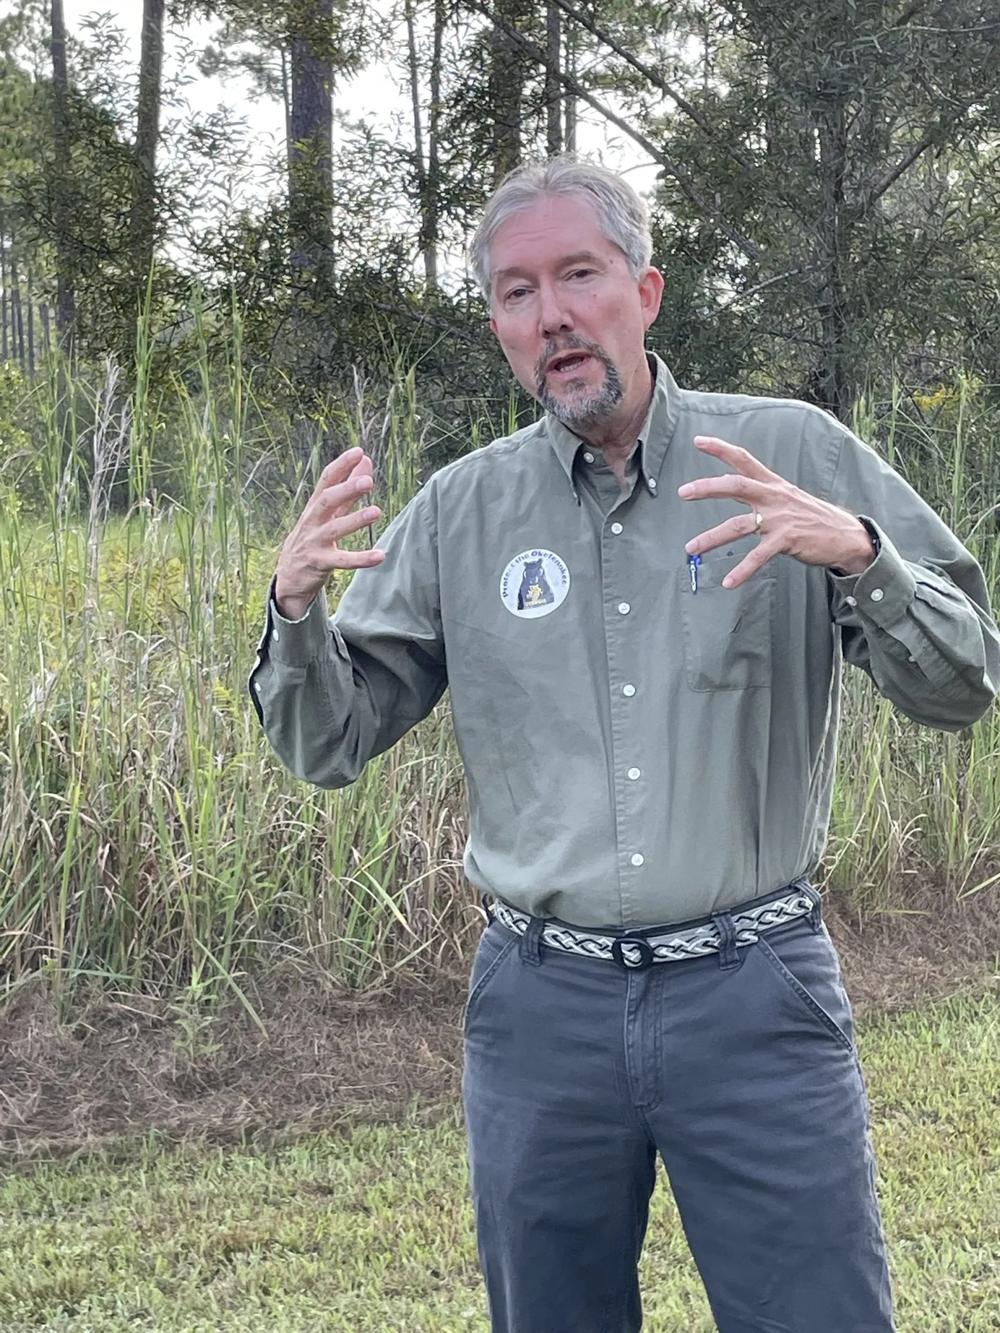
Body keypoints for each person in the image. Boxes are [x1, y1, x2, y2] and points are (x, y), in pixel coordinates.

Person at [248, 155, 999, 1333]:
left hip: (753, 997)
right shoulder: (460, 511)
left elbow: (964, 686)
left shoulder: (783, 455)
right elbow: (329, 741)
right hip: (539, 1014)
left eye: (578, 275)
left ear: (645, 292)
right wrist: (294, 613)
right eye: (514, 292)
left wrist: (861, 554)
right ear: (498, 326)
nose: (549, 314)